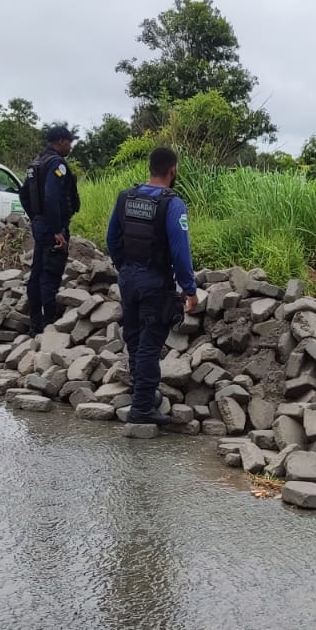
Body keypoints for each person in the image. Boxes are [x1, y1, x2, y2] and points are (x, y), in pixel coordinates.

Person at [107, 145, 198, 426]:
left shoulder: (126, 198)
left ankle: (143, 393)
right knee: (149, 344)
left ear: (150, 168)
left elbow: (112, 240)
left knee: (135, 339)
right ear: (173, 171)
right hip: (155, 282)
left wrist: (125, 269)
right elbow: (180, 251)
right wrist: (190, 289)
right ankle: (143, 408)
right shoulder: (173, 204)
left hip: (129, 280)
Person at [24, 124, 80, 334]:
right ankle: (48, 327)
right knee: (50, 274)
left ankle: (35, 324)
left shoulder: (36, 163)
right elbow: (51, 196)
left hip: (40, 225)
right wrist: (57, 229)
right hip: (53, 227)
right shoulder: (56, 164)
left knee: (37, 272)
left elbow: (24, 195)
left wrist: (36, 217)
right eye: (69, 142)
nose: (70, 147)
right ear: (60, 142)